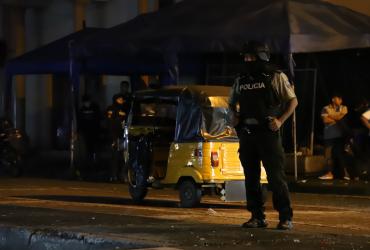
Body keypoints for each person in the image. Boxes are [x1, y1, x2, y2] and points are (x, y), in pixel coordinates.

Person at [228, 41, 298, 230]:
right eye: (246, 57)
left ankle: (285, 217)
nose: (248, 60)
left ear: (262, 57)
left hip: (268, 133)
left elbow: (293, 101)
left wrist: (280, 120)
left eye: (251, 57)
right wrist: (233, 116)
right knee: (251, 178)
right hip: (247, 134)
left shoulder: (275, 77)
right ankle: (257, 216)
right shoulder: (241, 79)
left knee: (276, 177)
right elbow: (231, 103)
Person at [319, 93, 350, 180]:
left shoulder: (344, 108)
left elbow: (342, 118)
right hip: (329, 136)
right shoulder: (326, 108)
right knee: (328, 156)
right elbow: (325, 120)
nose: (341, 101)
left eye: (341, 99)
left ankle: (345, 173)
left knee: (340, 155)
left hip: (340, 136)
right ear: (333, 99)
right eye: (339, 98)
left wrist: (331, 116)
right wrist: (338, 117)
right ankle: (329, 173)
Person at [106, 87, 131, 182]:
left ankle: (122, 174)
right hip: (115, 137)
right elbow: (110, 124)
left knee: (124, 157)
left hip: (124, 136)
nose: (121, 101)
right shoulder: (111, 109)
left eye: (122, 99)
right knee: (114, 157)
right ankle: (113, 175)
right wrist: (113, 138)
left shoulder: (126, 109)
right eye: (120, 99)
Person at [77, 95, 101, 172]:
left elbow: (98, 119)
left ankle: (94, 162)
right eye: (85, 102)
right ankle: (89, 162)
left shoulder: (94, 108)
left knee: (94, 147)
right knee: (88, 147)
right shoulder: (82, 110)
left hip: (94, 131)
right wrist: (79, 130)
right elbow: (80, 121)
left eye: (87, 102)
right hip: (86, 131)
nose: (86, 104)